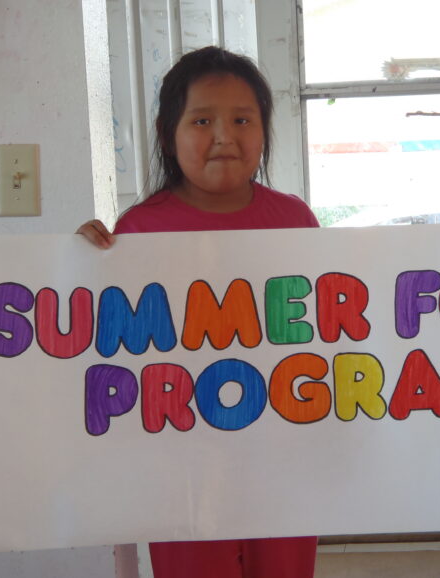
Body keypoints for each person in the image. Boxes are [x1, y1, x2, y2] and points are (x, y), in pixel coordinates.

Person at [77, 46, 318, 578]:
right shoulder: (138, 230)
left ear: (264, 131)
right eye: (202, 120)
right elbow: (109, 342)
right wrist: (77, 264)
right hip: (179, 460)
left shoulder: (295, 219)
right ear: (168, 134)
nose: (224, 136)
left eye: (242, 120)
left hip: (281, 451)